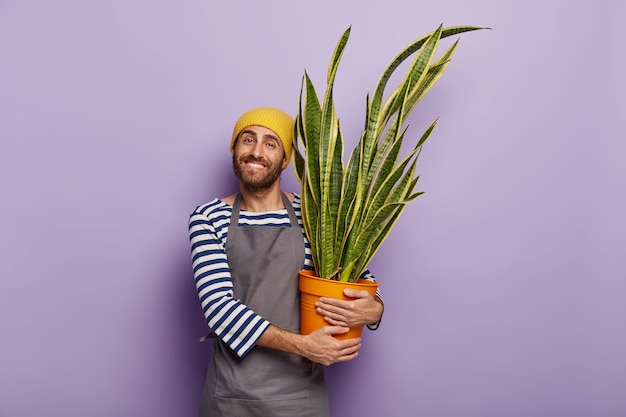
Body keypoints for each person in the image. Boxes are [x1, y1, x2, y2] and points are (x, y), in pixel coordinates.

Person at [188, 107, 384, 417]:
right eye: (247, 139)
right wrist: (304, 346)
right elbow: (218, 310)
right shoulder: (208, 217)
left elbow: (357, 280)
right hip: (230, 398)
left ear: (284, 159)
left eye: (270, 143)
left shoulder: (314, 216)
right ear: (235, 150)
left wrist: (374, 310)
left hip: (301, 400)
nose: (256, 151)